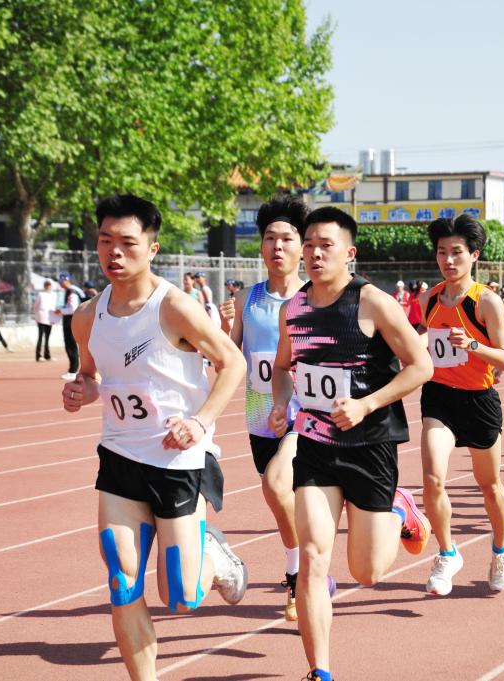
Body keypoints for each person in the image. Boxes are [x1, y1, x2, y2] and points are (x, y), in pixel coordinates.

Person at [61, 194, 249, 681]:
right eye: (105, 241)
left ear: (152, 248)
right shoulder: (86, 317)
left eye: (127, 242)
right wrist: (82, 390)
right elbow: (91, 375)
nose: (114, 252)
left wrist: (200, 422)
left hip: (179, 462)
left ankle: (213, 555)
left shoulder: (176, 307)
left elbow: (233, 362)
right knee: (121, 579)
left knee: (181, 597)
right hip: (120, 456)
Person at [270, 206, 433, 681]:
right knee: (312, 558)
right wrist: (281, 403)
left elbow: (421, 366)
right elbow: (283, 367)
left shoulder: (373, 303)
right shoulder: (293, 309)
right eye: (310, 245)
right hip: (316, 446)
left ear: (350, 253)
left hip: (370, 447)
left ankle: (400, 510)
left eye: (327, 245)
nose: (315, 253)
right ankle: (320, 671)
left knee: (367, 572)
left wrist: (366, 404)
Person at [218, 194, 335, 622]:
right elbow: (230, 358)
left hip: (308, 415)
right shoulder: (246, 299)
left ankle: (298, 575)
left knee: (276, 484)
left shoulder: (317, 297)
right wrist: (220, 330)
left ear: (302, 246)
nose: (277, 247)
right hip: (260, 417)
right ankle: (310, 567)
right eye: (270, 238)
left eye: (286, 238)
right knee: (286, 499)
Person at [417, 215, 504, 596]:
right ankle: (447, 553)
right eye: (442, 252)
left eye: (456, 252)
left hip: (479, 400)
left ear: (474, 255)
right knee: (432, 477)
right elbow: (422, 341)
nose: (448, 260)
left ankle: (501, 548)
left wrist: (472, 345)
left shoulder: (486, 301)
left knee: (489, 485)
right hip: (439, 397)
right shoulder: (428, 299)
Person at [57, 274, 82, 380]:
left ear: (66, 281)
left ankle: (73, 371)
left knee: (71, 346)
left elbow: (73, 308)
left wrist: (61, 311)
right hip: (70, 320)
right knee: (70, 346)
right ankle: (73, 369)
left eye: (60, 281)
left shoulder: (72, 291)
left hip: (71, 320)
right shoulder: (70, 291)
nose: (59, 283)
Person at [33, 280, 58, 362]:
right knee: (40, 337)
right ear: (44, 286)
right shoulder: (40, 294)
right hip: (41, 318)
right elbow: (35, 305)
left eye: (49, 285)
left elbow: (55, 306)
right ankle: (38, 355)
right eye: (46, 285)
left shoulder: (54, 295)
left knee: (47, 338)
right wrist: (37, 315)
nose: (48, 287)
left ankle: (47, 355)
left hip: (50, 318)